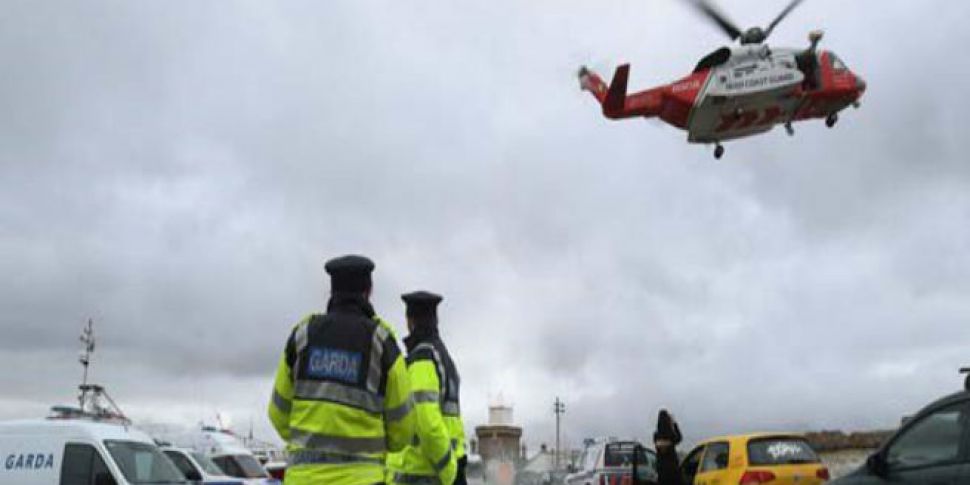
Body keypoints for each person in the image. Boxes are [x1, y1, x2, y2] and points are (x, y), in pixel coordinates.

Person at [268, 255, 415, 485]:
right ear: (369, 292)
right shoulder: (381, 342)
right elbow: (404, 429)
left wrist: (309, 441)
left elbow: (277, 414)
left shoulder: (302, 336)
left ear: (332, 292)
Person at [389, 290, 464, 485]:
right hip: (441, 469)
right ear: (435, 319)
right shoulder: (444, 357)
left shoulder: (422, 357)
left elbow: (427, 422)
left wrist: (448, 470)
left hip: (422, 472)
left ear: (410, 321)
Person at [653, 409, 686, 485]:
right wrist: (674, 424)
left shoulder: (656, 435)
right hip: (672, 468)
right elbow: (679, 438)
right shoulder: (671, 435)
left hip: (661, 469)